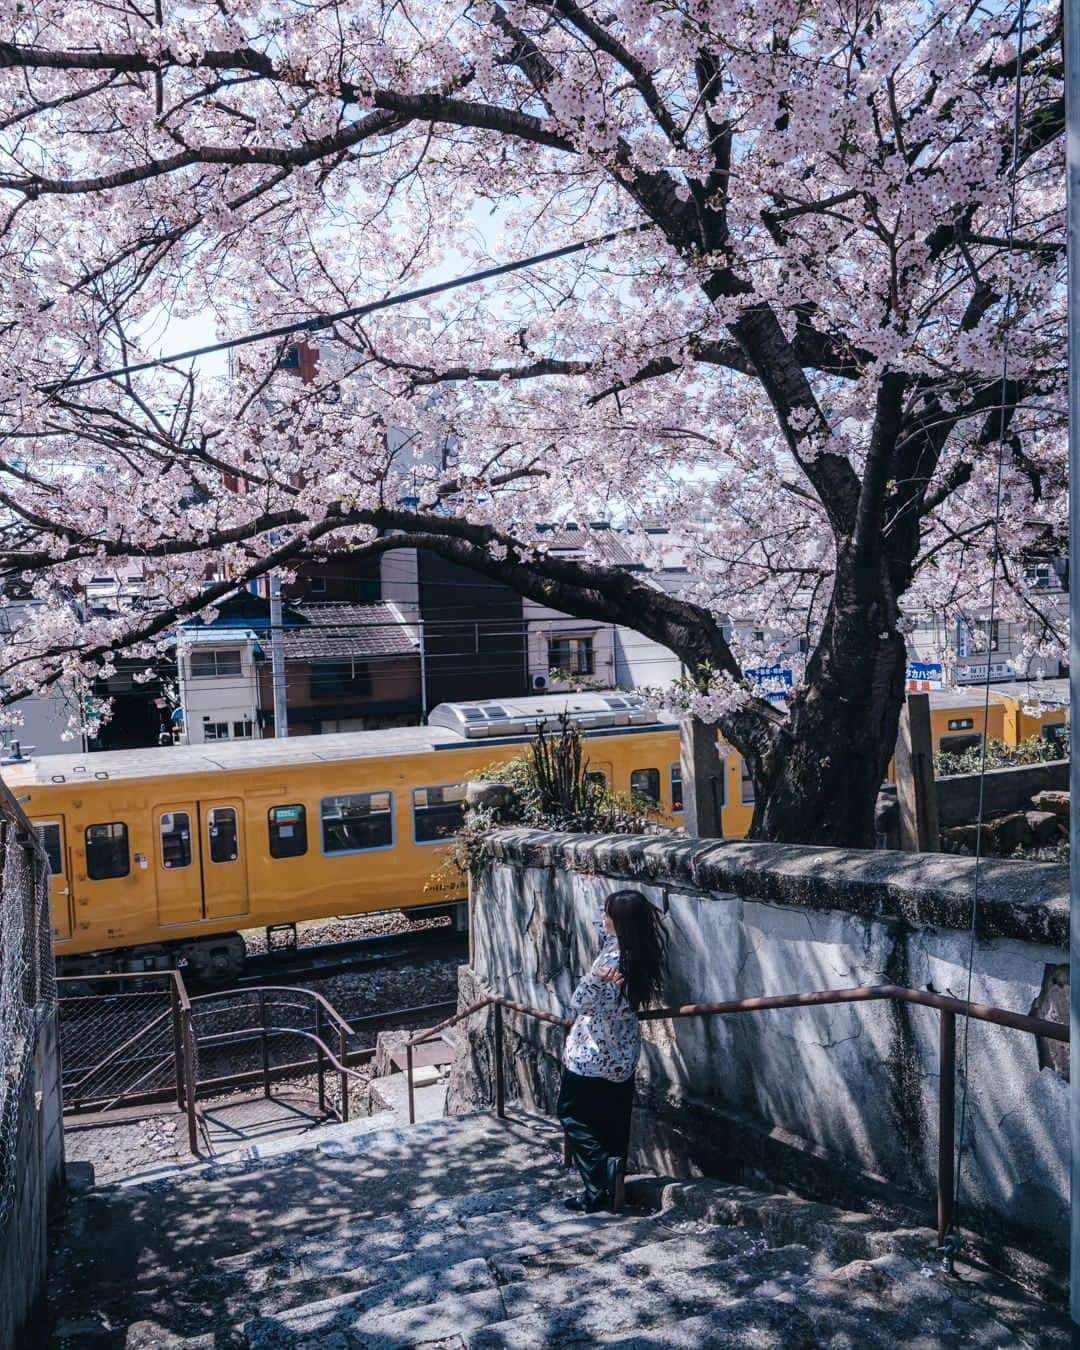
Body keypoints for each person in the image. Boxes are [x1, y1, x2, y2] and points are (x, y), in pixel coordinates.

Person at [557, 888, 667, 1214]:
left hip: (593, 1057)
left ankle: (600, 1181)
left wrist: (593, 977)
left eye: (607, 915)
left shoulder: (611, 962)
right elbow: (602, 923)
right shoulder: (639, 949)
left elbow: (581, 1003)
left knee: (572, 1115)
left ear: (619, 922)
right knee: (613, 1124)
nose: (602, 918)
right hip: (622, 1057)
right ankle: (613, 1185)